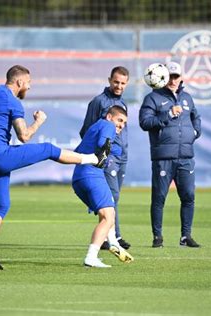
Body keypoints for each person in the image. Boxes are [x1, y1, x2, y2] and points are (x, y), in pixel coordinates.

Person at [0, 65, 110, 270]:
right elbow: (24, 136)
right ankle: (94, 159)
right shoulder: (12, 101)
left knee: (2, 206)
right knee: (48, 149)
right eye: (29, 83)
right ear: (20, 82)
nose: (29, 87)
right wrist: (39, 121)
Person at [139, 61, 202, 248]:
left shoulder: (188, 98)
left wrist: (195, 132)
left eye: (176, 76)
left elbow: (195, 117)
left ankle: (186, 236)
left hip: (186, 157)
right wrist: (168, 115)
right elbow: (145, 122)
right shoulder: (153, 98)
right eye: (170, 77)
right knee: (159, 198)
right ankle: (157, 237)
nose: (173, 80)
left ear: (181, 77)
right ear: (163, 77)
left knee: (189, 196)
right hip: (163, 157)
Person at [73, 105, 134, 267]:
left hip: (79, 177)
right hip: (92, 175)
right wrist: (116, 148)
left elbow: (78, 150)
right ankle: (91, 257)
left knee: (108, 211)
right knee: (108, 217)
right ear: (109, 117)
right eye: (119, 120)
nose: (121, 125)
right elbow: (103, 144)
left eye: (124, 123)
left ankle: (113, 242)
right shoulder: (107, 126)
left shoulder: (94, 127)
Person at [79, 66, 131, 250]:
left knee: (114, 197)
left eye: (123, 83)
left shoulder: (122, 103)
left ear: (127, 84)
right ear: (109, 80)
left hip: (121, 156)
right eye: (116, 82)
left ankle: (109, 236)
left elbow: (122, 131)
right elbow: (87, 130)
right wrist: (99, 155)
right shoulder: (98, 102)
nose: (119, 86)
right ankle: (113, 237)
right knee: (111, 196)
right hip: (108, 158)